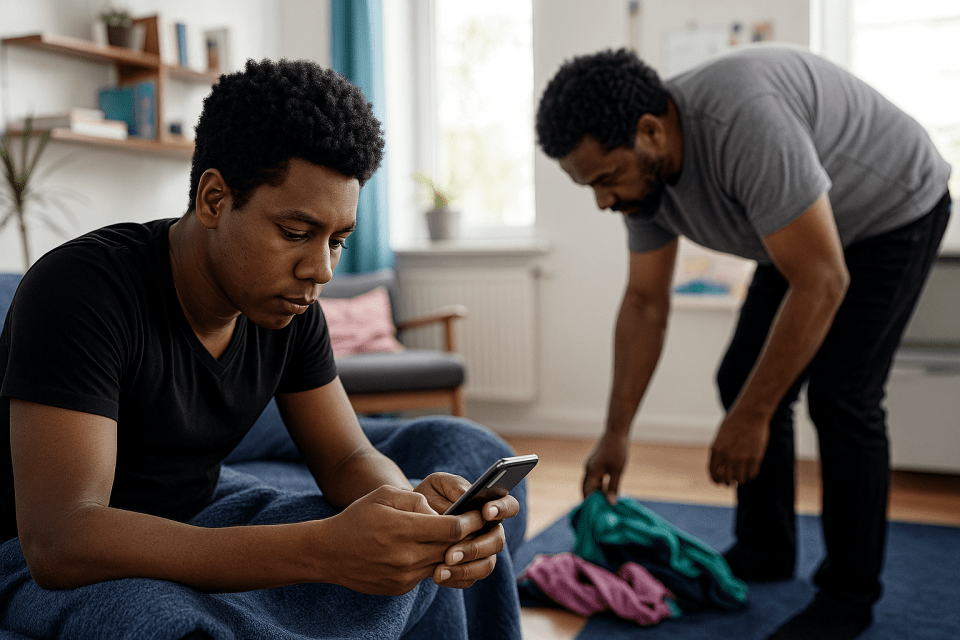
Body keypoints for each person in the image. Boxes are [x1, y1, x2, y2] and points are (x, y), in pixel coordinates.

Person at [0, 59, 524, 639]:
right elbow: (61, 539)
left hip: (203, 515)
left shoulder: (291, 308)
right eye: (296, 233)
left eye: (337, 241)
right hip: (44, 554)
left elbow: (347, 458)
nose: (320, 269)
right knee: (168, 624)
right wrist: (321, 551)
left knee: (407, 542)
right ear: (214, 199)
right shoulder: (81, 291)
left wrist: (410, 516)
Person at [535, 44, 951, 640]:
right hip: (802, 230)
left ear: (650, 131)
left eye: (605, 180)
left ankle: (847, 599)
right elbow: (646, 303)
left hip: (892, 211)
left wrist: (753, 417)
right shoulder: (643, 183)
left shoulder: (744, 122)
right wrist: (616, 433)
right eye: (590, 186)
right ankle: (766, 548)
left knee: (843, 396)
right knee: (741, 377)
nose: (603, 201)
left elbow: (822, 280)